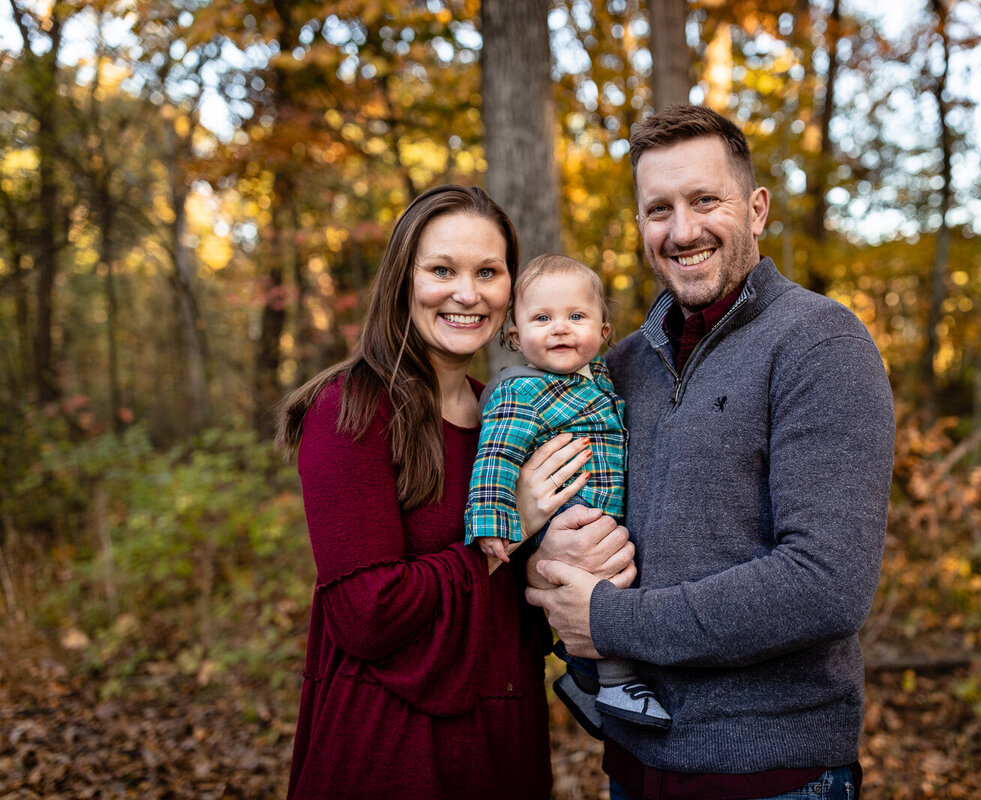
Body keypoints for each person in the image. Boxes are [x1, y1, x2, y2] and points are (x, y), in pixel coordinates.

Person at [525, 105, 895, 800]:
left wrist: (607, 619)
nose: (682, 229)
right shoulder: (622, 365)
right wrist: (550, 562)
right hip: (633, 768)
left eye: (705, 200)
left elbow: (825, 584)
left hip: (771, 776)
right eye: (658, 209)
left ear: (755, 209)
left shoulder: (821, 344)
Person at [275, 185, 634, 799]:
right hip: (391, 750)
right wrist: (506, 528)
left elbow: (516, 602)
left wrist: (576, 567)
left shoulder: (510, 413)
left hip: (505, 740)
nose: (467, 294)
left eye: (488, 272)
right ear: (402, 279)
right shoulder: (351, 411)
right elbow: (367, 616)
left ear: (511, 294)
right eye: (442, 270)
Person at [464, 253, 671, 732]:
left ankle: (583, 680)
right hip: (569, 519)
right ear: (515, 336)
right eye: (542, 318)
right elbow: (496, 457)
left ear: (602, 333)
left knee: (617, 578)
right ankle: (617, 685)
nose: (560, 328)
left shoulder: (598, 380)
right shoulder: (522, 393)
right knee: (604, 584)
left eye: (576, 316)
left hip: (601, 509)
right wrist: (494, 521)